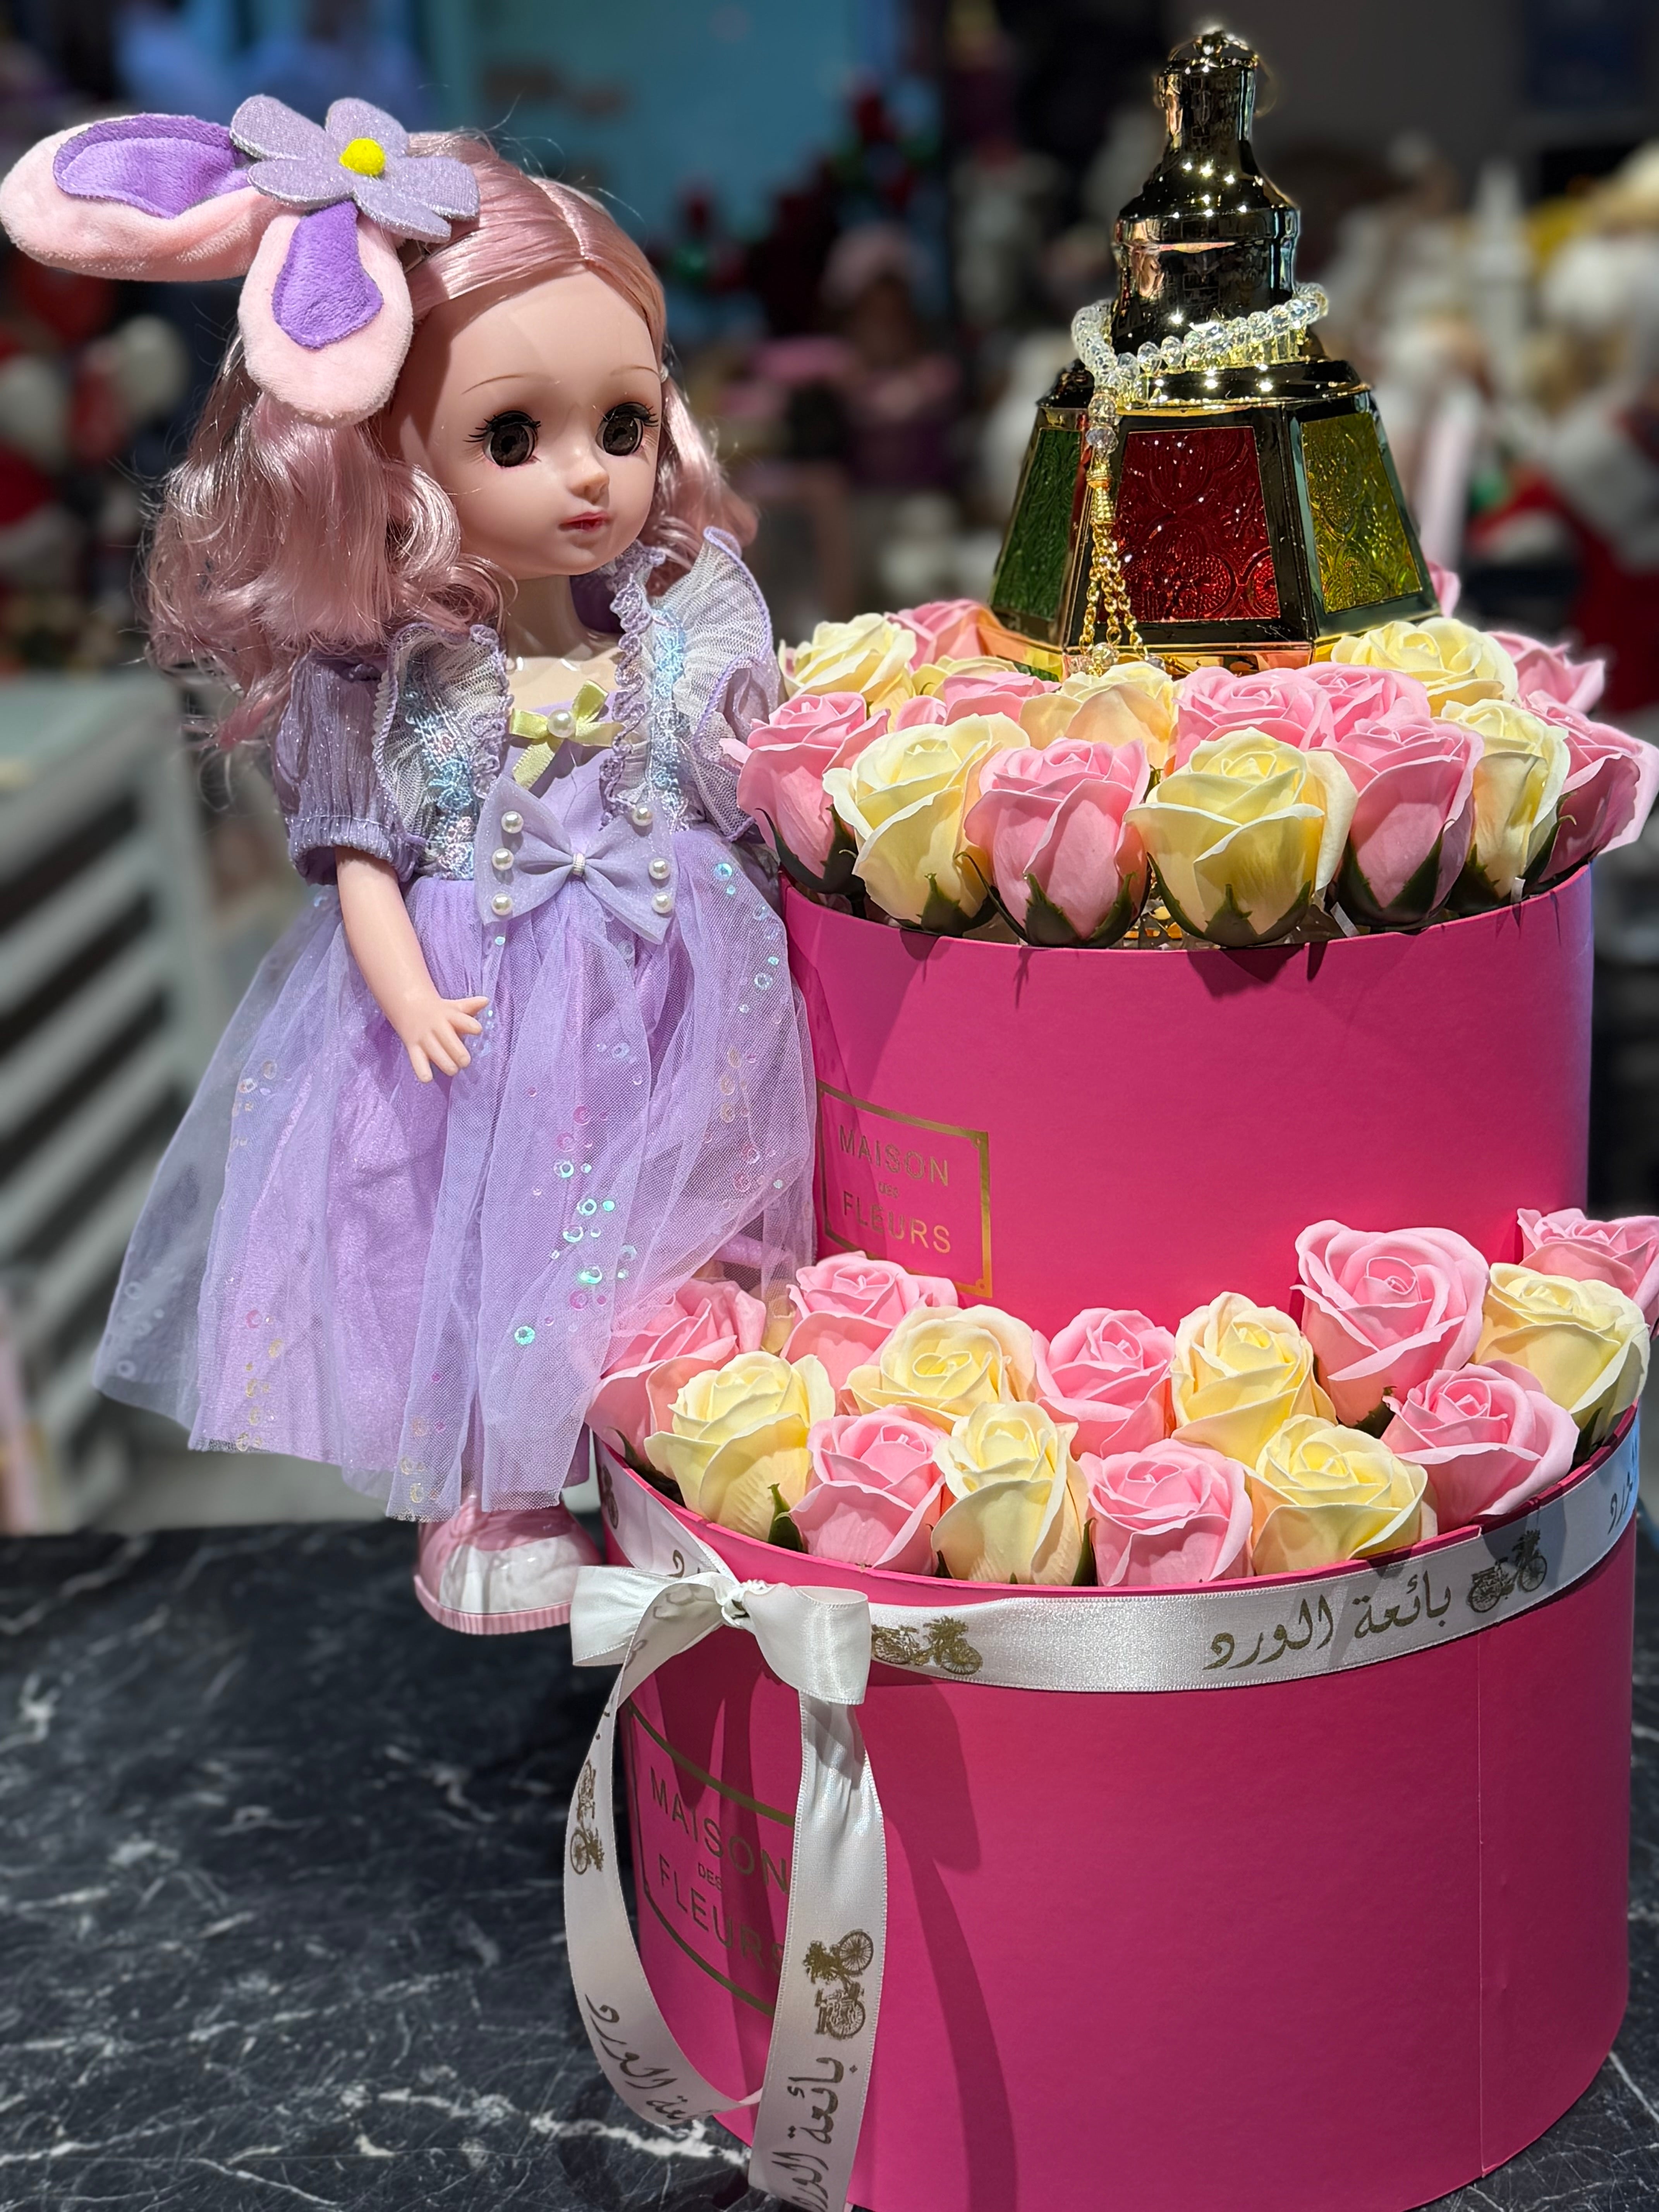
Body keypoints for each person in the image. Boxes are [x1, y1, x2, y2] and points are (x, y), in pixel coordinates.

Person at [0, 98, 814, 1629]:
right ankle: (496, 1498)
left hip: (677, 978)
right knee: (479, 1249)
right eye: (513, 436)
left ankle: (698, 1473)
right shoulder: (394, 674)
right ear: (392, 462)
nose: (587, 477)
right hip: (481, 994)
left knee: (686, 1237)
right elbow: (357, 857)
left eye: (622, 426)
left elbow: (743, 779)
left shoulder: (679, 627)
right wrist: (409, 995)